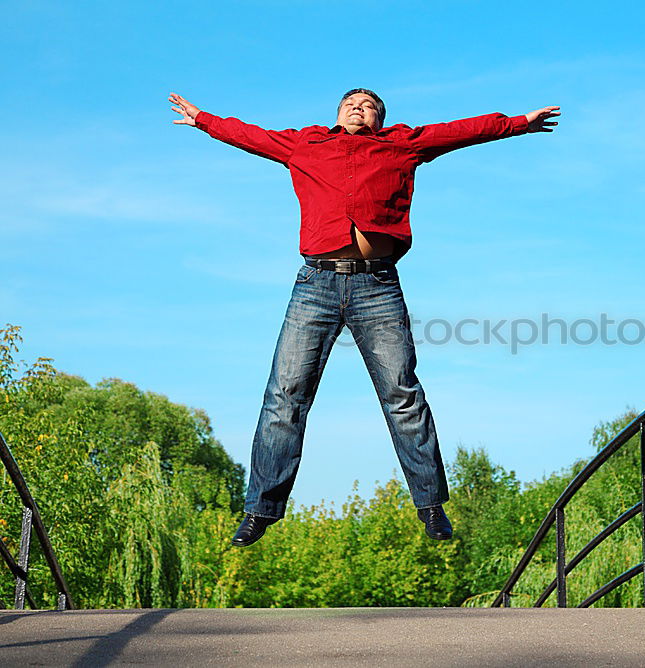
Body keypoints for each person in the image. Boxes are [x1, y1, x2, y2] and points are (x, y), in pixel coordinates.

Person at [168, 88, 559, 546]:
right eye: (351, 103)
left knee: (403, 395)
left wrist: (517, 123)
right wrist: (204, 120)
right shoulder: (305, 145)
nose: (359, 107)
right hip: (315, 286)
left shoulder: (403, 144)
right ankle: (260, 510)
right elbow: (249, 135)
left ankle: (431, 506)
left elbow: (461, 131)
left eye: (369, 105)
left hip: (378, 287)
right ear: (336, 114)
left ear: (380, 119)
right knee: (285, 394)